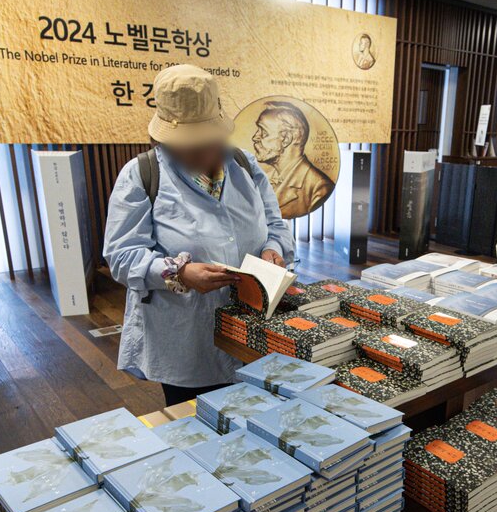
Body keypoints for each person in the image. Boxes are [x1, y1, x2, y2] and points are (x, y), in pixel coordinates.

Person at [104, 65, 292, 407]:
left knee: (258, 418)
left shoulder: (244, 165)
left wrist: (273, 250)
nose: (203, 152)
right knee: (195, 423)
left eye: (209, 140)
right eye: (189, 145)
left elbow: (276, 226)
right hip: (186, 339)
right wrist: (180, 274)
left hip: (252, 330)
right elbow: (122, 256)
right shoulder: (142, 174)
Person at [249, 100, 332, 218]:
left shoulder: (319, 190)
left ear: (286, 139)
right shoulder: (263, 179)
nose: (255, 137)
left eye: (263, 132)